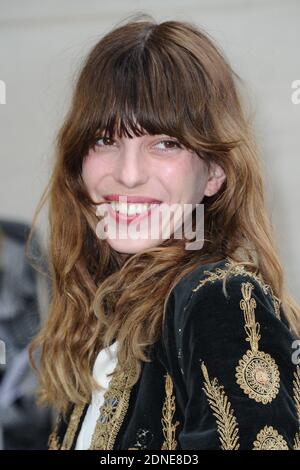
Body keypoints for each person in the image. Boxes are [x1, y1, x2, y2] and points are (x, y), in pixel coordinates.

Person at [28, 15, 300, 450]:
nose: (128, 174)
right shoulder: (98, 325)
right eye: (104, 139)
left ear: (214, 171)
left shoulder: (220, 296)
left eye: (165, 143)